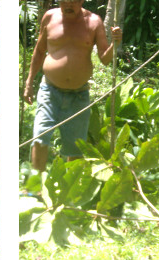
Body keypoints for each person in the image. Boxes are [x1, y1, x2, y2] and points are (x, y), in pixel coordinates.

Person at [22, 0, 122, 172]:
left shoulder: (94, 22)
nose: (68, 4)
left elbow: (105, 59)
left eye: (73, 1)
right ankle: (35, 188)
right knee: (40, 137)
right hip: (49, 90)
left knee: (75, 148)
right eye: (64, 1)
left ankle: (69, 190)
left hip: (79, 95)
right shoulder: (50, 17)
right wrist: (29, 83)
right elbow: (39, 51)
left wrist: (115, 44)